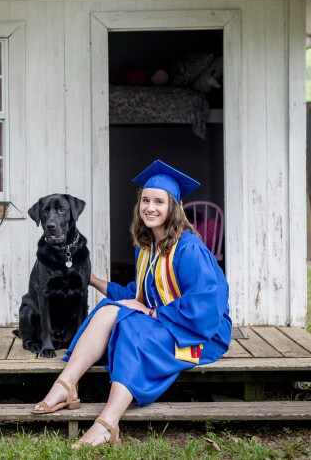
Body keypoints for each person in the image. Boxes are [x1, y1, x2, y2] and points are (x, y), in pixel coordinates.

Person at [30, 159, 232, 448]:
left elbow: (207, 306)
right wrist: (95, 280)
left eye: (159, 202)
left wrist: (150, 312)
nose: (150, 207)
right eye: (145, 200)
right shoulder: (149, 248)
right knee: (109, 310)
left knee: (132, 328)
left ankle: (107, 423)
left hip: (200, 334)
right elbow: (140, 294)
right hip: (167, 322)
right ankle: (65, 386)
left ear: (173, 207)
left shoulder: (189, 249)